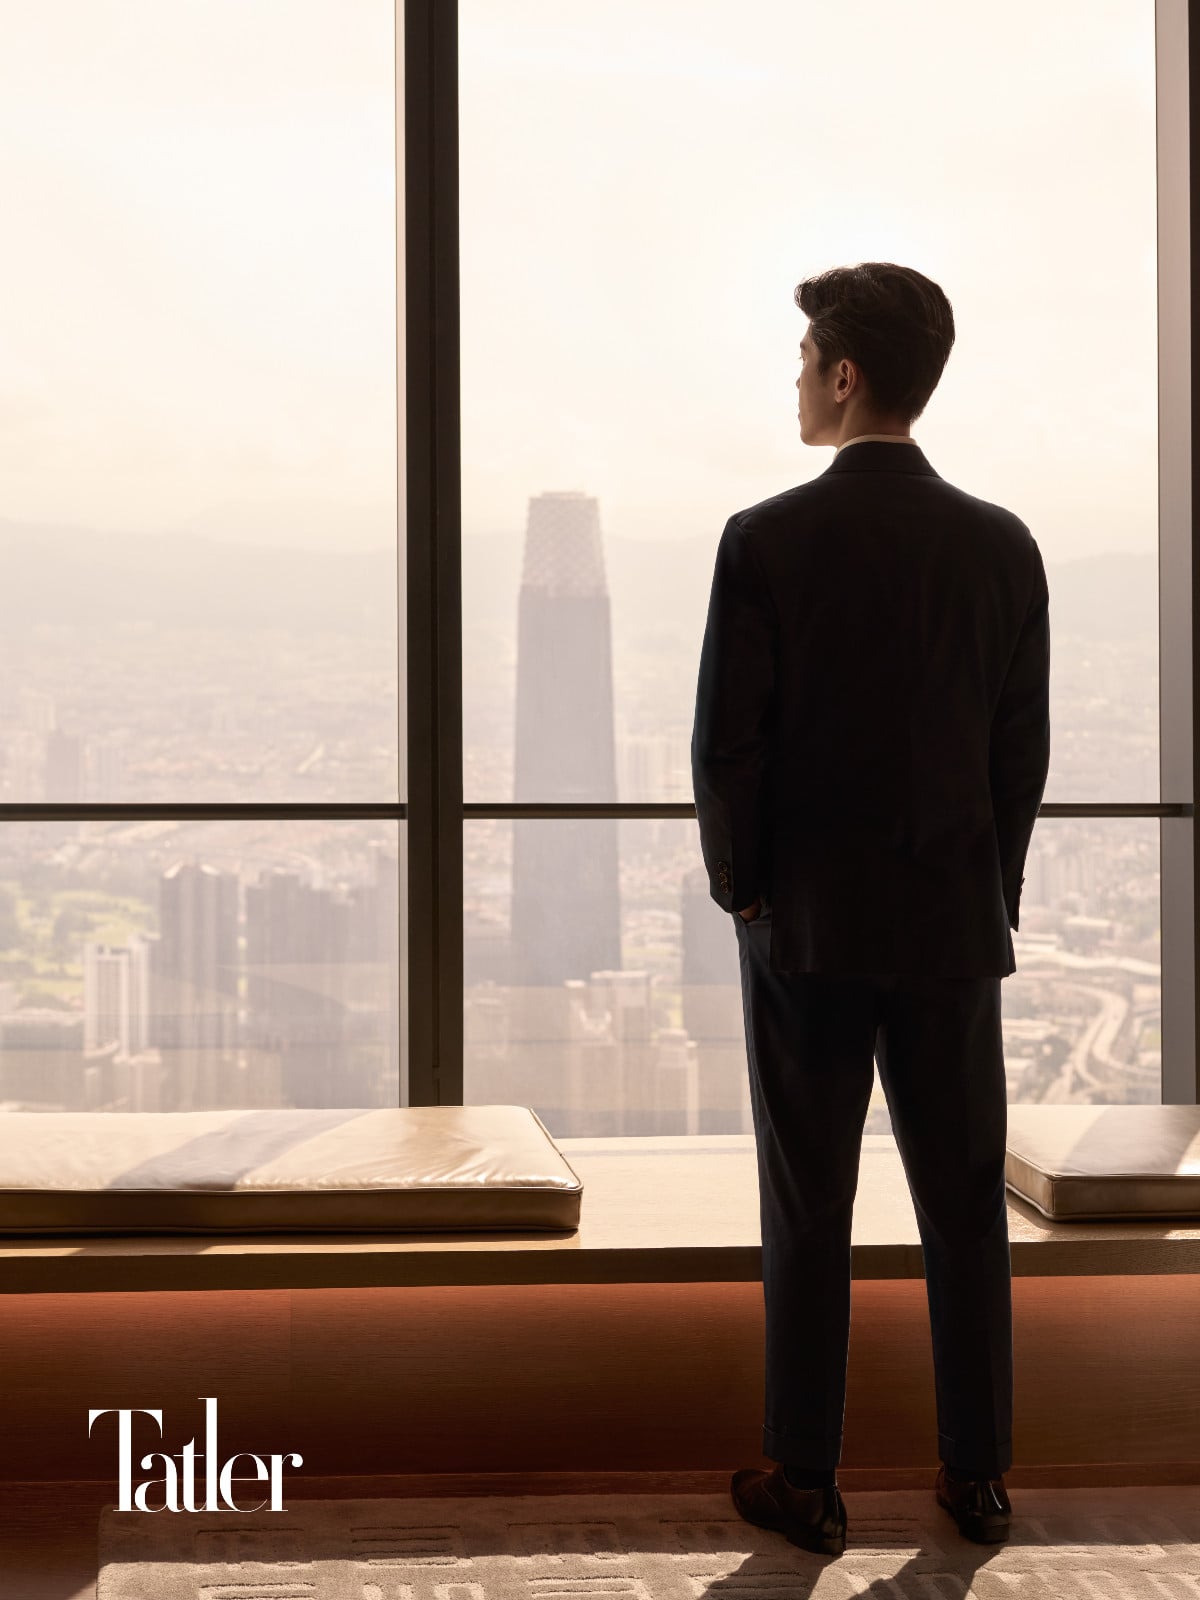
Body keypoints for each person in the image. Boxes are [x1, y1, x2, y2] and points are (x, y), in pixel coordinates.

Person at [690, 261, 1051, 1558]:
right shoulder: (1003, 544)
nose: (796, 379)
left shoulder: (767, 538)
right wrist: (983, 892)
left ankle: (808, 1475)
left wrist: (746, 896)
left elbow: (728, 747)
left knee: (811, 1200)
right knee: (961, 1203)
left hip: (808, 926)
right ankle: (978, 1477)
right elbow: (1022, 755)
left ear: (846, 376)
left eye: (803, 360)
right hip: (951, 924)